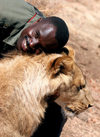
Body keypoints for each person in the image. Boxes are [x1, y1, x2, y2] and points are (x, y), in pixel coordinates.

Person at [0, 0, 69, 55]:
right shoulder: (5, 13)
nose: (32, 44)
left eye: (40, 48)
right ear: (37, 21)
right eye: (36, 35)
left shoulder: (43, 30)